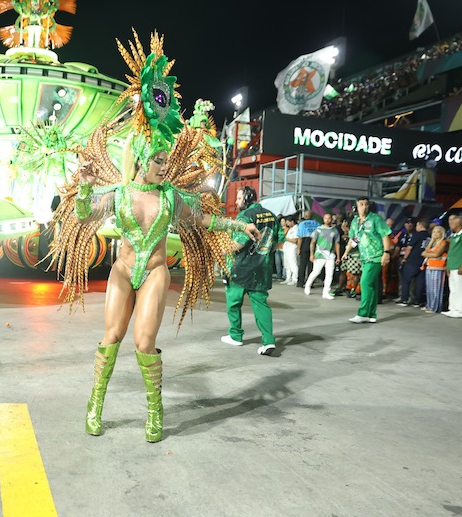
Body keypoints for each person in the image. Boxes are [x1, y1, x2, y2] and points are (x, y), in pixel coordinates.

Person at [49, 31, 259, 443]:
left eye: (166, 159)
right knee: (111, 336)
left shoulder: (172, 198)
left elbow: (203, 221)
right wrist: (86, 187)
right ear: (143, 159)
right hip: (123, 271)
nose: (165, 165)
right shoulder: (119, 194)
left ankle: (154, 409)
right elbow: (83, 214)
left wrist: (238, 225)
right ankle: (95, 403)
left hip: (155, 272)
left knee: (144, 342)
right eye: (159, 160)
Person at [220, 186, 277, 355]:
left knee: (233, 303)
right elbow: (277, 241)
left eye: (238, 198)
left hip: (241, 268)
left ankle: (236, 335)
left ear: (247, 198)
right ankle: (268, 341)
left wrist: (219, 250)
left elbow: (238, 243)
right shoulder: (272, 216)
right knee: (261, 305)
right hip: (262, 268)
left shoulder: (245, 216)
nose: (236, 202)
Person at [341, 197, 392, 323]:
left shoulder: (376, 219)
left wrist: (386, 252)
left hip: (375, 256)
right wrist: (346, 252)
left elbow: (385, 235)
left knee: (364, 283)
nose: (364, 207)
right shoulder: (355, 221)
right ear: (356, 206)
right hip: (364, 257)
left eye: (366, 204)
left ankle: (363, 313)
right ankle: (371, 315)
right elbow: (355, 239)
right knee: (372, 286)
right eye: (361, 204)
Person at [304, 212, 340, 299]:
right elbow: (312, 242)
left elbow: (337, 244)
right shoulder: (318, 230)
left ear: (332, 219)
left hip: (330, 255)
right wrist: (311, 254)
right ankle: (307, 285)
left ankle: (326, 292)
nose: (327, 220)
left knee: (329, 274)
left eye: (329, 218)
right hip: (319, 254)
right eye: (325, 218)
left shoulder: (335, 230)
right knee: (316, 272)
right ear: (323, 219)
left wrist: (338, 257)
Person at [441, 213, 462, 318]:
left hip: (460, 266)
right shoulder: (454, 236)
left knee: (460, 289)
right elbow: (451, 252)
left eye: (452, 222)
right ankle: (452, 308)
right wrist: (448, 266)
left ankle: (460, 310)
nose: (450, 224)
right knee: (453, 289)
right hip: (452, 266)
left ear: (458, 224)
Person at [398, 219, 428, 307]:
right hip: (423, 261)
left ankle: (404, 300)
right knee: (420, 281)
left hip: (412, 261)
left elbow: (409, 247)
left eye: (417, 225)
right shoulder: (429, 235)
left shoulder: (417, 235)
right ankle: (417, 301)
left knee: (406, 280)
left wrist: (404, 258)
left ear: (420, 225)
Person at [421, 225, 449, 313]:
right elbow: (423, 253)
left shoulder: (443, 243)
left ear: (442, 233)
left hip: (438, 268)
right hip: (429, 267)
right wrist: (429, 254)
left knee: (436, 289)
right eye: (434, 232)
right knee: (429, 288)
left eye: (438, 232)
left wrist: (427, 254)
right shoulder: (431, 243)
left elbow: (436, 254)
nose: (435, 233)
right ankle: (429, 305)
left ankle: (435, 307)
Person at [282, 217, 299, 285]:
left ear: (292, 221)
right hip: (287, 248)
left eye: (288, 222)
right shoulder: (290, 229)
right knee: (287, 264)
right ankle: (288, 278)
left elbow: (295, 240)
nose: (287, 223)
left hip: (292, 248)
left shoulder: (296, 229)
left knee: (293, 264)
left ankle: (295, 279)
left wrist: (286, 238)